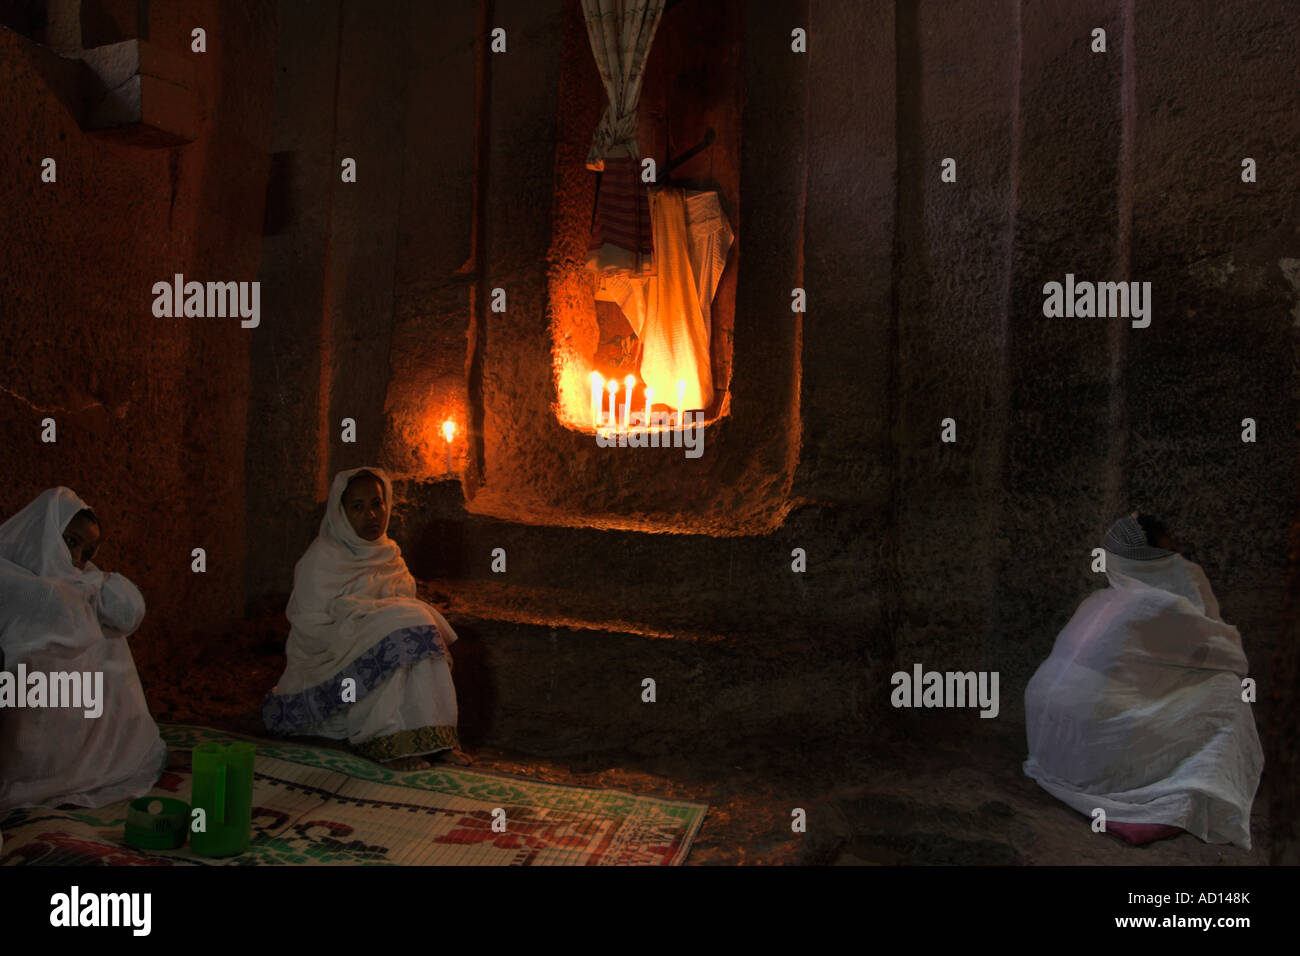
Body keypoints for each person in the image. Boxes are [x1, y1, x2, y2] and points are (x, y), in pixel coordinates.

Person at [1023, 512, 1263, 849]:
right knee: (1228, 691)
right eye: (1171, 554)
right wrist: (1195, 584)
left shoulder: (1100, 599)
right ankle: (1189, 782)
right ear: (1157, 560)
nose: (1179, 561)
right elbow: (1232, 658)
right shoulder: (1159, 604)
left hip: (1048, 745)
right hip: (1090, 747)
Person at [262, 467, 470, 770]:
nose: (371, 515)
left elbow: (399, 605)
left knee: (418, 627)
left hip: (385, 635)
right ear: (340, 512)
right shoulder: (321, 559)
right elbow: (310, 629)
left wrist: (379, 620)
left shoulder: (389, 554)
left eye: (377, 504)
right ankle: (385, 740)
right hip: (332, 658)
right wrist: (359, 619)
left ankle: (435, 740)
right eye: (357, 508)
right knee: (400, 630)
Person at [0, 487, 167, 813]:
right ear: (43, 530)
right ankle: (38, 772)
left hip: (63, 710)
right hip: (16, 716)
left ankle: (89, 760)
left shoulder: (79, 579)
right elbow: (50, 608)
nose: (76, 560)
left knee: (102, 632)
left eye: (87, 553)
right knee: (76, 626)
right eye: (70, 542)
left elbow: (125, 613)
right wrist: (86, 592)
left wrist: (96, 585)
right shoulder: (7, 570)